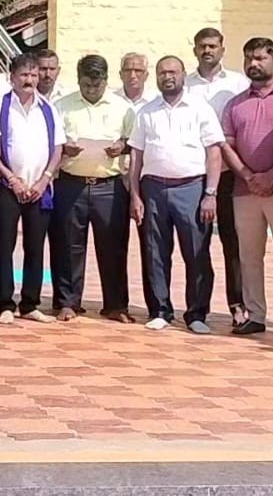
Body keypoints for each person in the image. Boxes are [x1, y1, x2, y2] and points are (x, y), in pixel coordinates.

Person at [218, 37, 273, 341]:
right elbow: (226, 146)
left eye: (259, 58)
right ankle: (256, 315)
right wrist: (247, 175)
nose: (253, 64)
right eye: (248, 59)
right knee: (249, 257)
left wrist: (271, 175)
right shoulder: (235, 104)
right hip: (245, 193)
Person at [129, 56, 224, 334]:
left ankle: (196, 314)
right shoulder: (146, 112)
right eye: (161, 73)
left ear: (183, 75)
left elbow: (214, 153)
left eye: (172, 72)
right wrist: (135, 195)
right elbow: (136, 156)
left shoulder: (200, 109)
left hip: (192, 188)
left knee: (196, 252)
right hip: (154, 189)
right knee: (155, 252)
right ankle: (160, 310)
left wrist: (211, 194)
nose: (167, 77)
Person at [54, 54, 149, 324]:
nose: (91, 89)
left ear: (106, 81)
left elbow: (134, 142)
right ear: (78, 79)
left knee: (113, 245)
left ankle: (116, 305)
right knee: (69, 245)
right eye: (86, 84)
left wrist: (122, 145)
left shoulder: (123, 108)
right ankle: (68, 302)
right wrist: (65, 149)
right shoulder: (62, 106)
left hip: (109, 185)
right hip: (72, 182)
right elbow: (53, 141)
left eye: (96, 85)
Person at [0, 53, 64, 324]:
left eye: (33, 75)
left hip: (40, 188)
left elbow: (57, 148)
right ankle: (6, 303)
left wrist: (44, 180)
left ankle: (30, 303)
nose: (29, 80)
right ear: (12, 78)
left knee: (35, 247)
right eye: (24, 75)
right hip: (8, 187)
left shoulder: (48, 109)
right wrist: (10, 178)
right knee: (4, 245)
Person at [185, 28, 250, 327]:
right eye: (202, 46)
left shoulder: (238, 84)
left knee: (232, 242)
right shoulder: (184, 85)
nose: (207, 51)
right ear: (194, 50)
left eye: (212, 46)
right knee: (196, 245)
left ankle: (238, 305)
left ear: (223, 49)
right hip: (193, 174)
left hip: (228, 175)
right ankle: (198, 309)